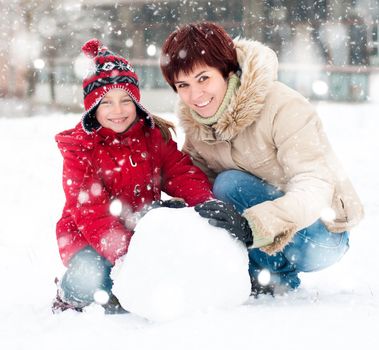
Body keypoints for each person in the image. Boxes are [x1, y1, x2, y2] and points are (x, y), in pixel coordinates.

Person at [160, 22, 364, 296]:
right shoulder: (198, 124)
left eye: (203, 78)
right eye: (183, 85)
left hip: (321, 235)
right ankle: (257, 269)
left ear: (226, 70)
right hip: (268, 230)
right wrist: (178, 208)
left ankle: (274, 276)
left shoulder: (283, 106)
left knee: (229, 185)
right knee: (215, 194)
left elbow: (315, 185)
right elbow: (195, 179)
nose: (195, 95)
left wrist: (253, 225)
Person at [53, 38, 213, 313]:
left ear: (136, 101)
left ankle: (131, 288)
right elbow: (91, 212)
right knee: (92, 279)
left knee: (165, 259)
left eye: (126, 100)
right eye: (107, 103)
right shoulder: (81, 150)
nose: (118, 111)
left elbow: (179, 171)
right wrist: (127, 256)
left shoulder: (150, 136)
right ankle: (70, 292)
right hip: (89, 238)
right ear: (92, 108)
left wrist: (206, 201)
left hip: (139, 226)